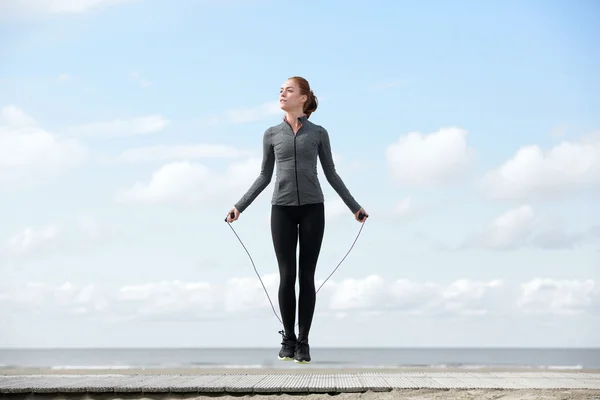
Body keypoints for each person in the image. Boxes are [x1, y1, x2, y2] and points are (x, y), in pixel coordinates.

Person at [226, 76, 368, 363]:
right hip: (282, 209)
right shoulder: (271, 134)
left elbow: (331, 174)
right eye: (280, 90)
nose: (282, 94)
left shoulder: (318, 133)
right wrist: (239, 206)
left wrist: (354, 207)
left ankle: (304, 341)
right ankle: (288, 338)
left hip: (313, 208)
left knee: (306, 277)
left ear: (303, 97)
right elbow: (265, 176)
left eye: (288, 90)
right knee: (287, 276)